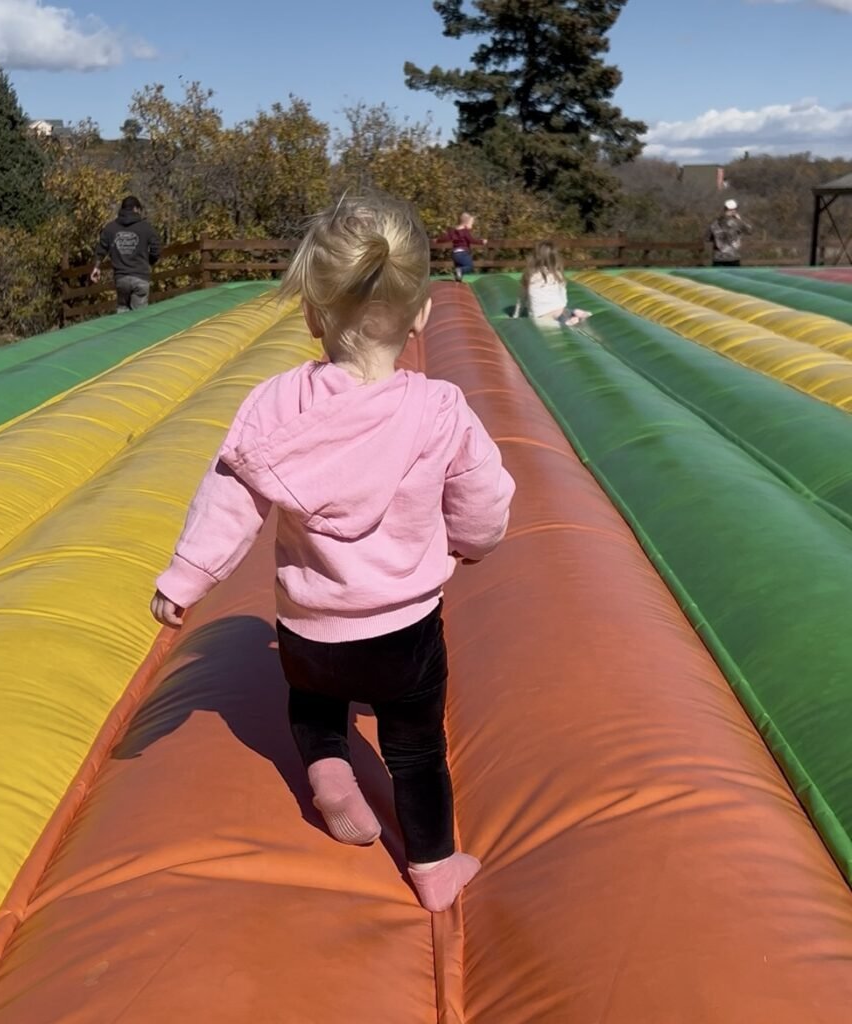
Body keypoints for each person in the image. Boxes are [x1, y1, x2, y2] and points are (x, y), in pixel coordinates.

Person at [151, 192, 515, 913]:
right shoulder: (440, 411)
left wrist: (184, 579)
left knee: (314, 701)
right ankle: (435, 869)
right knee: (415, 750)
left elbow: (229, 499)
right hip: (406, 630)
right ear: (422, 316)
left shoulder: (274, 406)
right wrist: (472, 546)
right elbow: (484, 501)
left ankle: (327, 769)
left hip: (311, 624)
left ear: (313, 314)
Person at [90, 196, 162, 312]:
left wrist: (96, 267)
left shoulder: (111, 228)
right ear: (136, 209)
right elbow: (156, 248)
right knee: (139, 316)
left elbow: (101, 248)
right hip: (140, 276)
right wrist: (150, 261)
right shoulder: (146, 228)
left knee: (123, 313)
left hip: (121, 278)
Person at [516, 240, 591, 326]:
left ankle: (567, 321)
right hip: (558, 310)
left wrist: (517, 316)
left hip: (541, 315)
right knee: (563, 311)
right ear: (555, 258)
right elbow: (563, 296)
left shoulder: (529, 275)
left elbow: (521, 298)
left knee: (548, 321)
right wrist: (563, 307)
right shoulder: (557, 274)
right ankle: (573, 314)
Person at [437, 213, 487, 283]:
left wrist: (438, 240)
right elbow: (471, 240)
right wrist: (482, 242)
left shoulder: (453, 231)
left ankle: (458, 282)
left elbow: (446, 238)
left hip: (455, 254)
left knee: (458, 272)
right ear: (466, 223)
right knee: (469, 267)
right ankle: (460, 271)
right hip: (463, 253)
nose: (472, 226)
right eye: (471, 224)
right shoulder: (465, 232)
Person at [707, 198, 752, 267]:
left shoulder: (715, 222)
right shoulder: (737, 223)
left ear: (725, 209)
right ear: (735, 210)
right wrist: (740, 220)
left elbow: (707, 238)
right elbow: (749, 231)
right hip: (733, 257)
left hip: (718, 257)